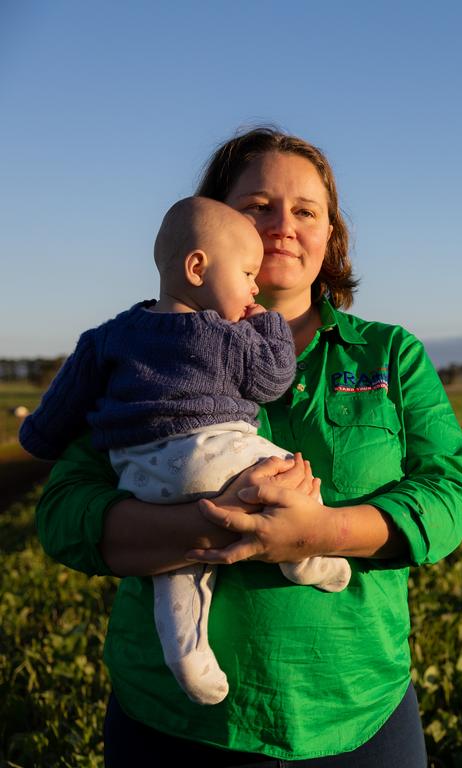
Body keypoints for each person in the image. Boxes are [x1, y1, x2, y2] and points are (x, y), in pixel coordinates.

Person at [34, 127, 462, 766]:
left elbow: (447, 493)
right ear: (207, 232)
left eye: (306, 211)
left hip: (355, 707)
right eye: (258, 206)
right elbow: (64, 514)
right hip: (172, 721)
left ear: (331, 234)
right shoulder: (135, 354)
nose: (284, 225)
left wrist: (321, 532)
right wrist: (204, 527)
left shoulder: (390, 353)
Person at [20, 196, 352, 706]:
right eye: (245, 273)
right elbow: (272, 380)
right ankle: (307, 555)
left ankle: (188, 655)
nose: (253, 286)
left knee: (178, 566)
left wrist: (34, 438)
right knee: (283, 471)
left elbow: (57, 414)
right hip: (213, 455)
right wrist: (264, 325)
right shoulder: (223, 333)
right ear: (198, 268)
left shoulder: (106, 338)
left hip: (140, 478)